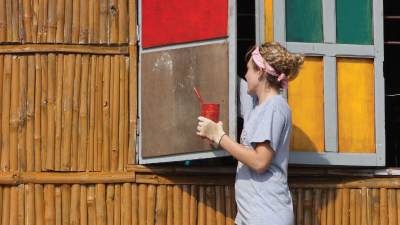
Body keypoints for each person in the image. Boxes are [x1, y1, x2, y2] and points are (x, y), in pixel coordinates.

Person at [196, 42, 304, 225]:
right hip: (252, 215)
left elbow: (259, 161)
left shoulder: (274, 107)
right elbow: (247, 152)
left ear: (260, 72)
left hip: (267, 215)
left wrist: (220, 137)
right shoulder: (256, 108)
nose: (245, 74)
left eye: (248, 69)